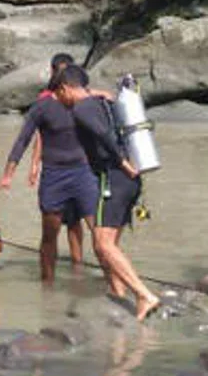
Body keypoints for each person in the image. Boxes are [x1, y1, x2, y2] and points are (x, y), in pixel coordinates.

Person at [55, 64, 160, 320]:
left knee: (103, 244)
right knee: (108, 243)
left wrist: (121, 161)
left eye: (59, 94)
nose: (59, 100)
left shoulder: (81, 108)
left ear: (66, 88)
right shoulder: (103, 102)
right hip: (129, 181)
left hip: (114, 177)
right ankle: (118, 292)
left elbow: (102, 133)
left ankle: (144, 295)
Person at [0, 61, 101, 283]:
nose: (81, 93)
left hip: (83, 174)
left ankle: (112, 284)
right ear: (63, 87)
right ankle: (47, 286)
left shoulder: (85, 104)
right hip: (54, 177)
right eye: (76, 88)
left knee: (99, 232)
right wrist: (8, 175)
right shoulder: (41, 108)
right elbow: (22, 140)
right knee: (50, 236)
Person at [29, 53, 86, 266]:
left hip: (78, 166)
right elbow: (39, 135)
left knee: (75, 220)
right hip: (55, 168)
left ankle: (77, 264)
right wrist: (35, 164)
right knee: (51, 224)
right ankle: (49, 275)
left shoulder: (78, 96)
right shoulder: (46, 100)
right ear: (53, 73)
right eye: (60, 72)